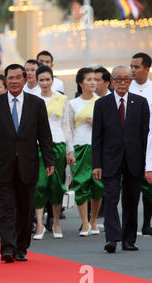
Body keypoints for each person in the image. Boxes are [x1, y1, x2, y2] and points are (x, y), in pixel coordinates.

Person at [0, 64, 55, 263]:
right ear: (5, 80)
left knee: (25, 209)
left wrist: (49, 160)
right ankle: (7, 247)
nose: (13, 81)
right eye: (10, 78)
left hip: (28, 164)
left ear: (24, 80)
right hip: (1, 165)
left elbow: (45, 135)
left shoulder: (36, 104)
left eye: (17, 77)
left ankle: (22, 246)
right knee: (6, 208)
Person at [93, 66, 149, 253]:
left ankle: (128, 240)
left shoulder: (141, 103)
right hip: (110, 159)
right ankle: (111, 238)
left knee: (131, 201)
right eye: (119, 79)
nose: (123, 82)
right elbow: (97, 137)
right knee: (110, 199)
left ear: (131, 82)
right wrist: (97, 164)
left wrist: (147, 164)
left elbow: (145, 136)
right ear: (111, 82)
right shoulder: (102, 104)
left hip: (134, 160)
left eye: (126, 79)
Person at [63, 67, 103, 236]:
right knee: (80, 184)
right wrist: (69, 150)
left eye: (95, 79)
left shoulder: (102, 101)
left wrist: (98, 124)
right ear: (80, 83)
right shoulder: (72, 104)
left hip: (98, 147)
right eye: (89, 79)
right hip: (79, 147)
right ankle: (85, 223)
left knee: (98, 185)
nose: (93, 82)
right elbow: (68, 128)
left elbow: (111, 128)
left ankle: (94, 220)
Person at [33, 65, 68, 240]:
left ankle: (55, 222)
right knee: (39, 184)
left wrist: (70, 150)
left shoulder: (62, 99)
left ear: (53, 81)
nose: (45, 83)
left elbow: (66, 126)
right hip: (38, 146)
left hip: (58, 144)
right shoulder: (32, 99)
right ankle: (39, 224)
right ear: (37, 81)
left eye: (48, 79)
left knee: (55, 185)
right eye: (41, 80)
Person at [129, 53, 152, 236]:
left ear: (147, 68)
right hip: (131, 142)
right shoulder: (126, 87)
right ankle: (131, 224)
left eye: (137, 67)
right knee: (132, 185)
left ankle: (147, 223)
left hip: (150, 140)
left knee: (149, 185)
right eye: (132, 66)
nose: (133, 70)